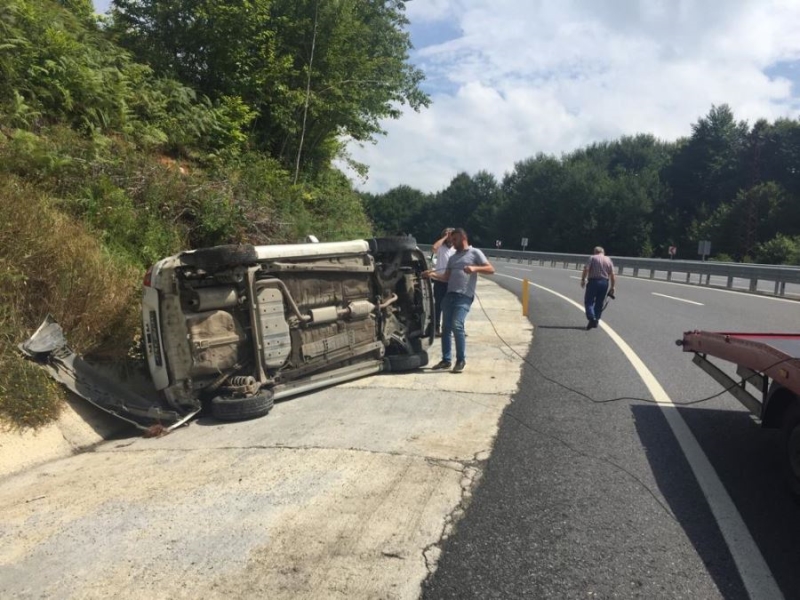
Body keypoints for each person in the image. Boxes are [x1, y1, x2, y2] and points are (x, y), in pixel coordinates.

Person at [423, 228, 495, 373]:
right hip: (450, 295)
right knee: (446, 329)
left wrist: (474, 268)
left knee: (457, 324)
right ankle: (446, 360)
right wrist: (431, 275)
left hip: (464, 296)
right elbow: (446, 277)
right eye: (451, 240)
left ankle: (461, 360)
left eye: (454, 240)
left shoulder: (475, 253)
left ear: (463, 238)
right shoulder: (453, 257)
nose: (452, 243)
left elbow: (491, 269)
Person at [580, 246, 616, 330]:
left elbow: (586, 269)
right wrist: (613, 287)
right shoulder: (608, 259)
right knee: (599, 303)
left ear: (595, 252)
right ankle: (596, 321)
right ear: (603, 252)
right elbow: (612, 274)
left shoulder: (592, 258)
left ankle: (592, 318)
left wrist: (583, 279)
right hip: (604, 282)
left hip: (593, 282)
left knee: (589, 301)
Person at [431, 228, 455, 336]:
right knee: (438, 306)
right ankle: (436, 328)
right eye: (447, 235)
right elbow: (434, 248)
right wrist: (445, 237)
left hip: (452, 281)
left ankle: (453, 328)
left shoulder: (455, 248)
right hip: (440, 280)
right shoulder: (441, 247)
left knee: (453, 306)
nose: (449, 237)